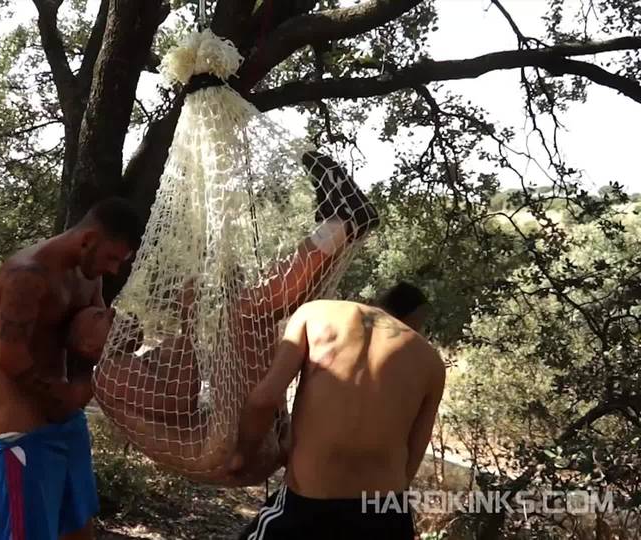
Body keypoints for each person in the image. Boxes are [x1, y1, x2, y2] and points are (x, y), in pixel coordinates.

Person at [71, 153, 382, 484]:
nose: (112, 311)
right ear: (88, 345)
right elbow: (179, 399)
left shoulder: (127, 365)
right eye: (98, 317)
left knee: (257, 316)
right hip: (225, 451)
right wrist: (189, 321)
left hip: (233, 440)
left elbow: (187, 373)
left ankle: (343, 229)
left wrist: (202, 308)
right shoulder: (106, 375)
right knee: (246, 314)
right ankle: (341, 224)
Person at [228, 284, 445, 539]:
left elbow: (264, 400)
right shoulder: (431, 362)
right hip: (384, 512)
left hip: (309, 505)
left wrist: (242, 457)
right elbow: (413, 454)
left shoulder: (315, 314)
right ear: (415, 317)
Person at [0, 197, 140, 540]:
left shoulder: (89, 277)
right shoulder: (26, 276)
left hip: (69, 425)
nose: (113, 270)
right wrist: (68, 397)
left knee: (79, 529)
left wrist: (124, 334)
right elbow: (10, 357)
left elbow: (100, 340)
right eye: (112, 258)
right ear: (88, 240)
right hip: (25, 435)